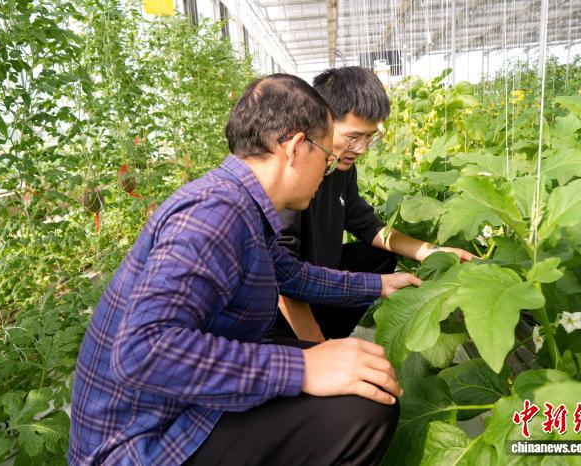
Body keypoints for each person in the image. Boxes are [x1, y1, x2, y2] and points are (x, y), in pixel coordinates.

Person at [68, 74, 422, 466]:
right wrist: (303, 367)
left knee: (358, 374)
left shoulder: (240, 204)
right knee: (363, 409)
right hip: (145, 439)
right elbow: (141, 351)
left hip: (177, 404)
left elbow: (291, 274)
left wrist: (379, 285)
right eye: (325, 157)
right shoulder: (215, 213)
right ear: (295, 148)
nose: (328, 170)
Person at [272, 67, 475, 342]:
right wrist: (322, 354)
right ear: (321, 121)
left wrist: (432, 251)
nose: (362, 149)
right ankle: (312, 342)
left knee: (380, 256)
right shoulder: (293, 178)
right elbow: (281, 278)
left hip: (319, 278)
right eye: (353, 137)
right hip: (285, 298)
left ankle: (331, 334)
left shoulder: (342, 168)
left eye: (369, 137)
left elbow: (367, 226)